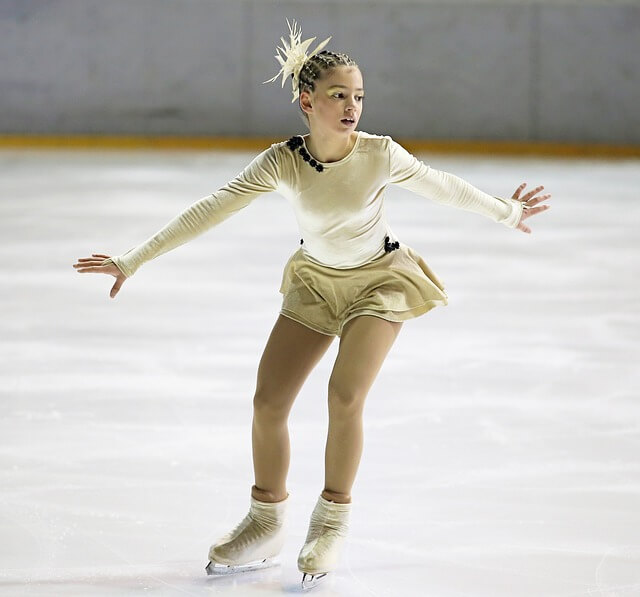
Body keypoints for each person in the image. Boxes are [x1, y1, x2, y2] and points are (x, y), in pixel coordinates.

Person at [72, 17, 551, 589]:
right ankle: (265, 520)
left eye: (359, 96)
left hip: (380, 282)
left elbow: (441, 185)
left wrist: (508, 210)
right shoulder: (283, 162)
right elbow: (212, 207)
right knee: (268, 402)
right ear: (307, 101)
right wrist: (134, 257)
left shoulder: (379, 153)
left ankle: (331, 523)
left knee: (344, 395)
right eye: (338, 95)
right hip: (316, 284)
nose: (352, 106)